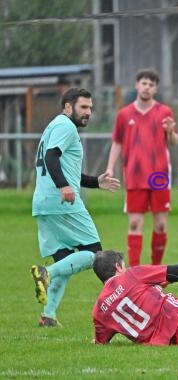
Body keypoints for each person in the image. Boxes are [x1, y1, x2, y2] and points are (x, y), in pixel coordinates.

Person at [30, 87, 121, 327]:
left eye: (90, 108)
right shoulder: (65, 126)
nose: (88, 112)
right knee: (94, 254)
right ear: (68, 107)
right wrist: (63, 186)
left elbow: (66, 168)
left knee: (65, 261)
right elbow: (51, 157)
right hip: (61, 202)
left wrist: (95, 182)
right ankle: (45, 273)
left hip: (43, 203)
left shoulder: (54, 125)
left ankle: (48, 315)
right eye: (83, 107)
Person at [105, 68, 178, 267]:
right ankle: (135, 274)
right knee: (135, 224)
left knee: (161, 225)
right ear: (137, 85)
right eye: (144, 83)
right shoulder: (124, 114)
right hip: (135, 176)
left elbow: (174, 141)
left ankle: (155, 270)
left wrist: (170, 131)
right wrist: (110, 168)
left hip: (159, 177)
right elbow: (117, 142)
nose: (147, 87)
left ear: (156, 89)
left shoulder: (164, 112)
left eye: (151, 84)